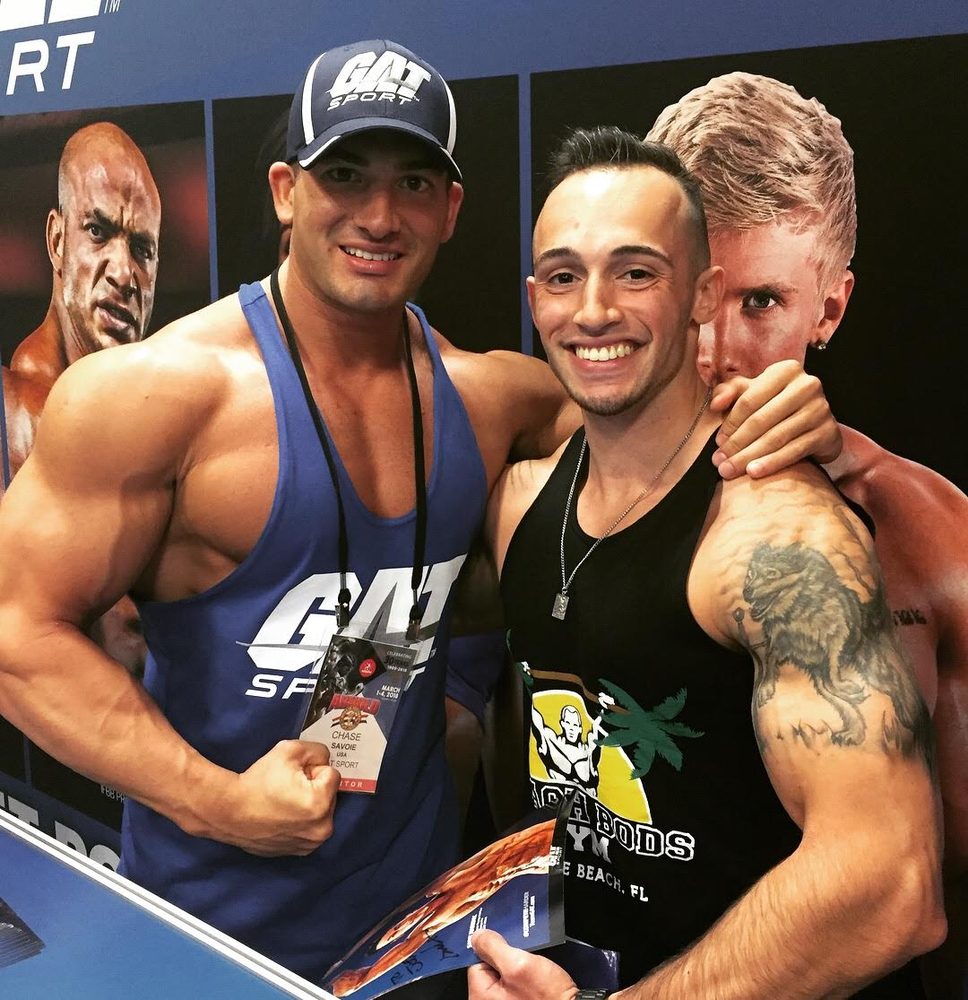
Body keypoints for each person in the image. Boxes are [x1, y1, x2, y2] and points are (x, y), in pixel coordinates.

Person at [0, 41, 840, 983]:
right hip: (208, 938)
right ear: (285, 191)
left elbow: (660, 416)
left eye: (412, 182)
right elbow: (14, 632)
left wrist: (789, 414)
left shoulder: (492, 401)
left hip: (419, 941)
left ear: (450, 209)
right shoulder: (150, 398)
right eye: (344, 175)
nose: (378, 214)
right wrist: (215, 801)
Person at [471, 127, 945, 999]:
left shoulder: (780, 537)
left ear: (702, 293)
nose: (594, 310)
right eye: (565, 276)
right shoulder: (519, 505)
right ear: (535, 299)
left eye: (636, 273)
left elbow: (891, 884)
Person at [647, 72, 967, 998]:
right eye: (690, 293)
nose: (713, 350)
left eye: (761, 303)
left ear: (828, 308)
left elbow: (936, 887)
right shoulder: (545, 479)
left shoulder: (926, 536)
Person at [0, 120, 160, 673]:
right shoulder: (10, 409)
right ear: (56, 240)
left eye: (142, 249)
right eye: (98, 231)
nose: (124, 273)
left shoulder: (161, 428)